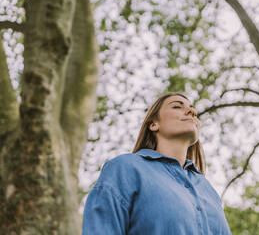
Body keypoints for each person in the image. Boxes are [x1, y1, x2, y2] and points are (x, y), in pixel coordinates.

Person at [82, 92, 232, 234]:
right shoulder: (125, 168)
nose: (191, 112)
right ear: (154, 124)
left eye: (193, 110)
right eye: (177, 106)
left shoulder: (208, 190)